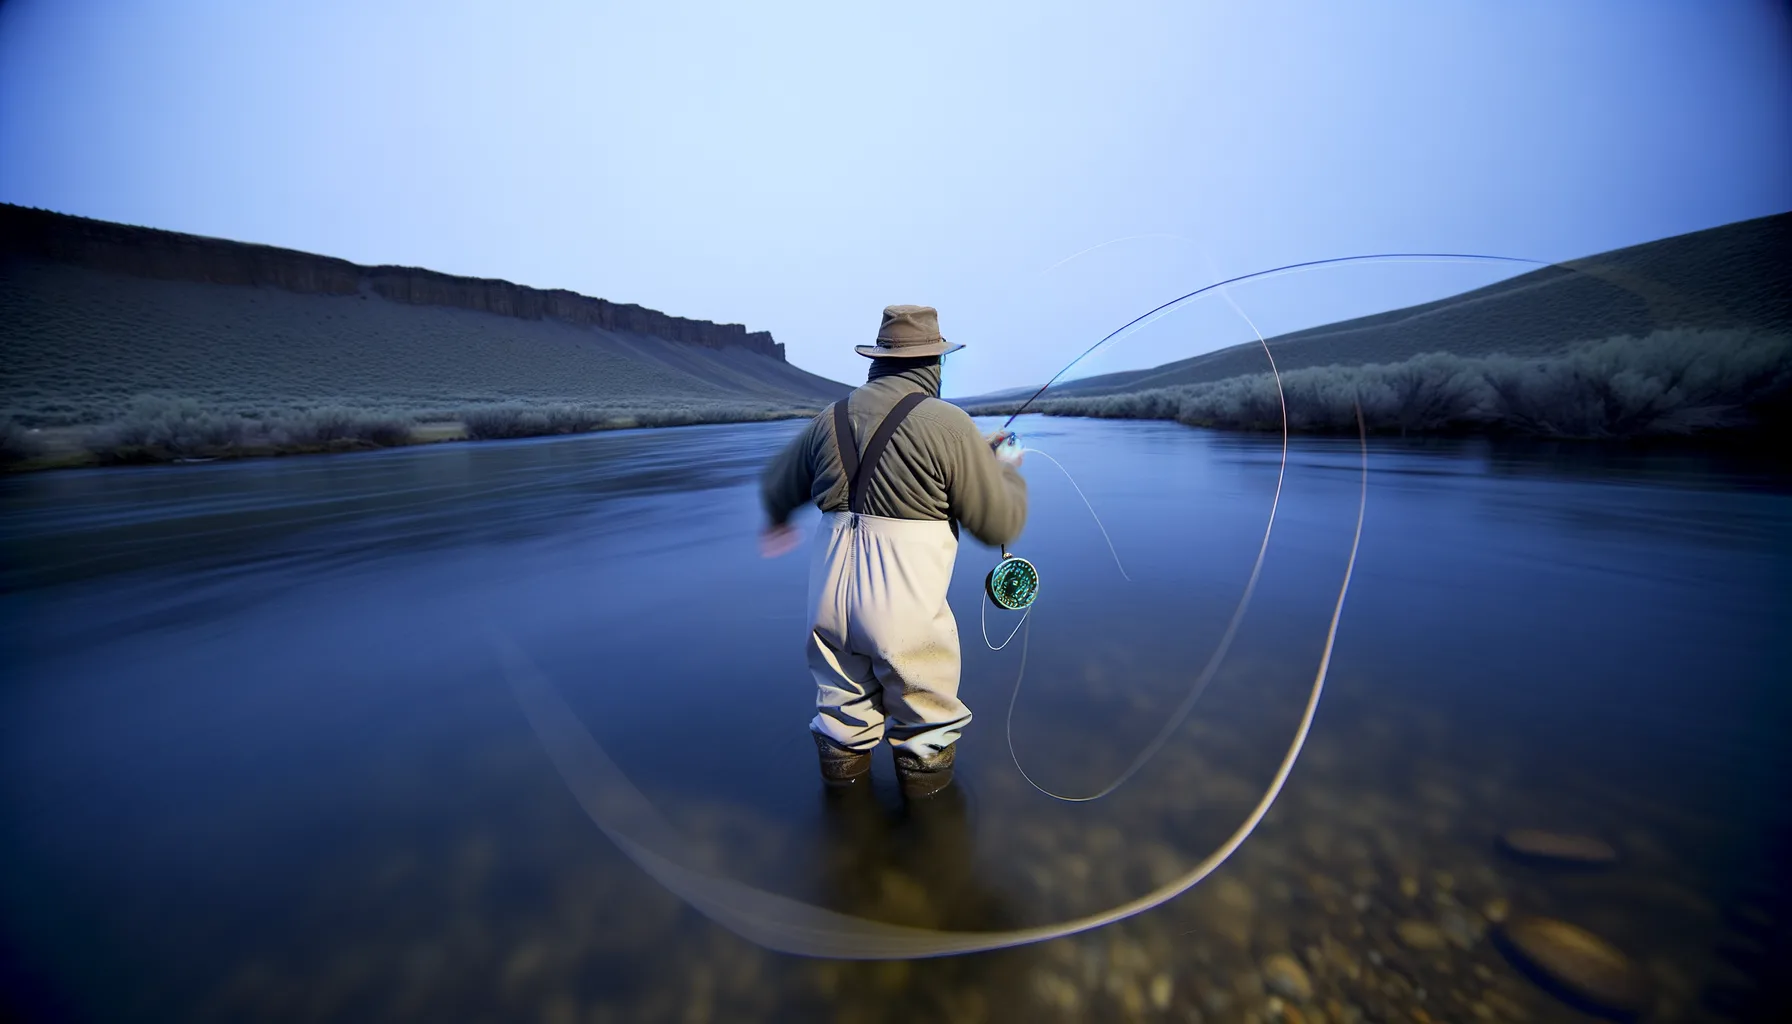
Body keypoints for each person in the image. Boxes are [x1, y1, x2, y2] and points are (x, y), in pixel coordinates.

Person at [759, 305, 1028, 798]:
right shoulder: (950, 424)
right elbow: (999, 524)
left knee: (841, 720)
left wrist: (777, 521)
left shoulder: (829, 418)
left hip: (827, 604)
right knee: (926, 731)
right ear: (934, 363)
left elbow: (778, 486)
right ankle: (927, 843)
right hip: (902, 610)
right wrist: (1005, 469)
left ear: (879, 360)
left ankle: (848, 835)